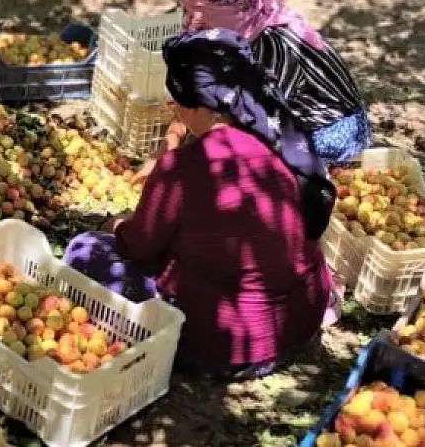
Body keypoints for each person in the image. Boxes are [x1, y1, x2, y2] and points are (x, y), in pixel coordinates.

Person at [63, 28, 337, 378]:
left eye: (175, 98)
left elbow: (140, 247)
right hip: (299, 323)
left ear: (199, 106)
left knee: (85, 249)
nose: (172, 106)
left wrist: (116, 224)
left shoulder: (185, 168)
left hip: (226, 346)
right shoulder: (280, 140)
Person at [137, 0, 370, 181]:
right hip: (280, 115)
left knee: (244, 171)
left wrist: (191, 158)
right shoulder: (240, 31)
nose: (196, 26)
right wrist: (170, 142)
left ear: (234, 15)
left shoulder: (276, 45)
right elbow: (196, 90)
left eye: (207, 22)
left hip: (326, 129)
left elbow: (261, 120)